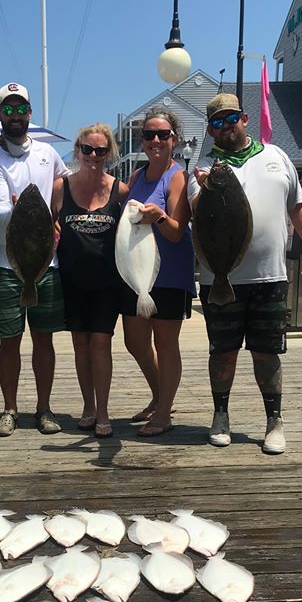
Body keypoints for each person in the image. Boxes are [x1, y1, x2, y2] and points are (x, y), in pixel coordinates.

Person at [188, 93, 302, 455]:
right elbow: (196, 211)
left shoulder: (277, 157)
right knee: (223, 352)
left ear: (245, 118)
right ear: (210, 129)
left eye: (230, 118)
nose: (225, 125)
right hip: (221, 278)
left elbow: (298, 205)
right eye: (216, 121)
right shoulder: (204, 166)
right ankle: (220, 415)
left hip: (269, 277)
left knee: (267, 353)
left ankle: (274, 420)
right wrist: (205, 189)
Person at [0, 82, 68, 438]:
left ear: (29, 113)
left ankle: (44, 408)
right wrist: (27, 211)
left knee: (44, 339)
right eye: (8, 109)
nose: (15, 115)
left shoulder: (48, 153)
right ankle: (10, 409)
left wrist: (57, 217)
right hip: (8, 264)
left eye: (21, 109)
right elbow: (0, 211)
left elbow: (62, 185)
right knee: (9, 340)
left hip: (47, 263)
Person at [51, 123, 128, 438]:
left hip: (108, 282)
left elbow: (134, 235)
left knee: (101, 343)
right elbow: (46, 229)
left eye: (100, 150)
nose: (93, 155)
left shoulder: (120, 190)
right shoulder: (61, 187)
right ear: (78, 150)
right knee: (80, 345)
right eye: (87, 149)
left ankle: (104, 411)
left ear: (108, 153)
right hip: (71, 280)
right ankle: (88, 406)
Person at [121, 110, 195, 437]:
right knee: (135, 340)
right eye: (149, 135)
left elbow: (178, 232)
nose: (155, 140)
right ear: (142, 140)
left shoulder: (178, 176)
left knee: (166, 344)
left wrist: (161, 217)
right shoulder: (136, 177)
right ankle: (158, 396)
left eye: (162, 135)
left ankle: (164, 412)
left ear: (173, 140)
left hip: (169, 275)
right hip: (138, 273)